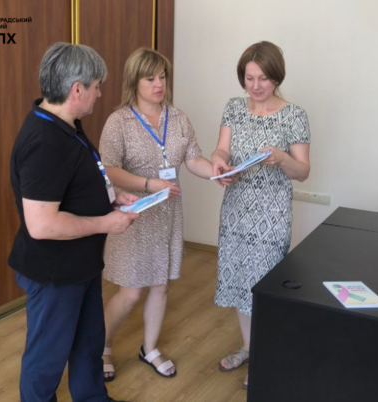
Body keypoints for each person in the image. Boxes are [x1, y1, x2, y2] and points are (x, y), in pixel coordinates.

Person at [8, 42, 140, 402]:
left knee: (88, 345)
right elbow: (42, 225)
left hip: (80, 266)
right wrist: (106, 223)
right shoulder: (44, 142)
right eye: (97, 86)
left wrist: (111, 197)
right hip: (55, 273)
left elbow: (74, 184)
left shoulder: (67, 126)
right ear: (76, 89)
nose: (100, 93)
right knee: (46, 360)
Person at [99, 48, 215, 381]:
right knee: (131, 291)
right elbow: (109, 169)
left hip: (167, 214)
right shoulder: (119, 121)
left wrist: (217, 172)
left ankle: (149, 348)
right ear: (134, 81)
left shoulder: (178, 118)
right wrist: (148, 184)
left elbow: (193, 159)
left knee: (160, 286)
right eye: (150, 78)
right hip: (133, 216)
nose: (159, 84)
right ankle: (102, 348)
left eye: (162, 76)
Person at [211, 41, 311, 389]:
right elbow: (222, 149)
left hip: (272, 214)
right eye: (249, 78)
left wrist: (281, 158)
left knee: (263, 285)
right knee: (241, 281)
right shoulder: (234, 108)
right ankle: (248, 347)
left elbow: (303, 172)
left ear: (277, 77)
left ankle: (265, 355)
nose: (255, 86)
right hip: (236, 210)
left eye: (263, 79)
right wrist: (219, 162)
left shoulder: (294, 115)